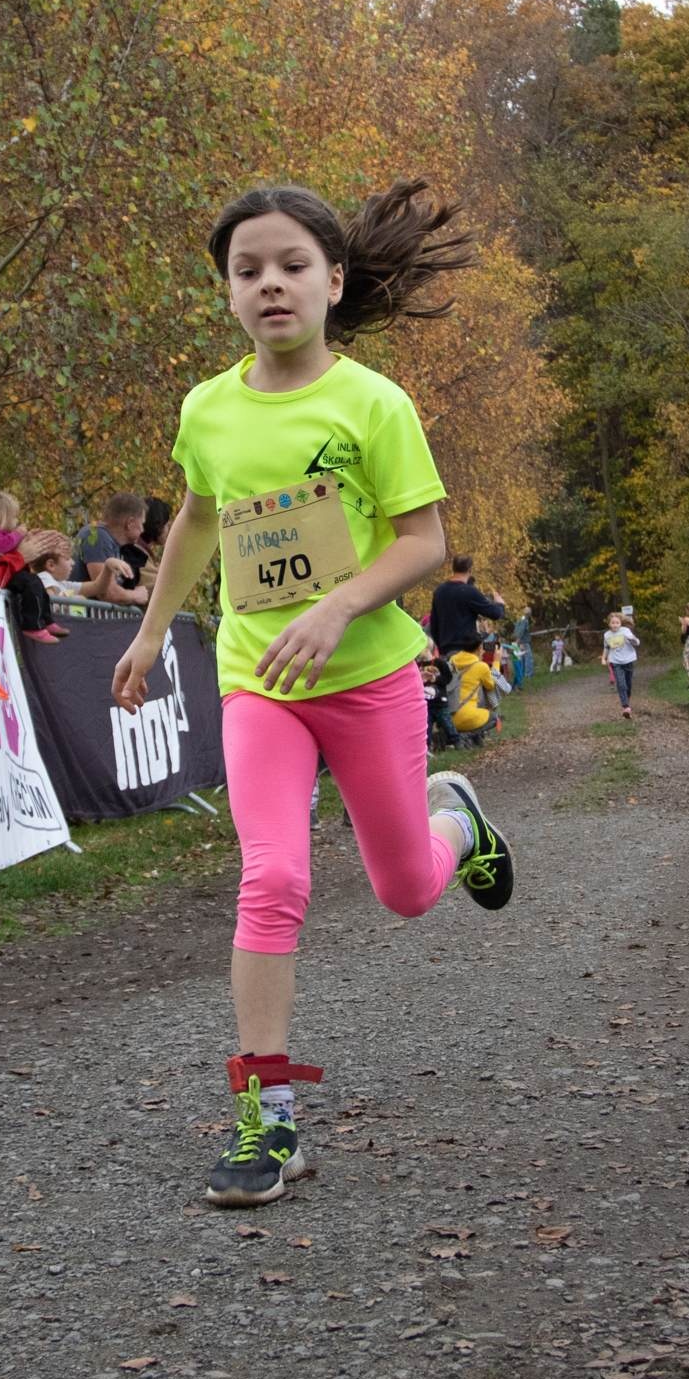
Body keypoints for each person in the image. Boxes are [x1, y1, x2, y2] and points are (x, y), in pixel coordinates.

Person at [110, 178, 515, 1209]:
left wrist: (337, 608)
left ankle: (459, 825)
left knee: (406, 890)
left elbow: (423, 541)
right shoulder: (208, 408)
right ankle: (267, 1119)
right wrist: (152, 632)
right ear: (227, 292)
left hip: (367, 674)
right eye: (246, 270)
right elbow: (199, 518)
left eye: (291, 265)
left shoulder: (374, 403)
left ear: (334, 281)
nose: (270, 285)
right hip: (259, 680)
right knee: (274, 876)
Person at [428, 552, 505, 658]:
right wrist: (500, 604)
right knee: (497, 648)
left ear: (453, 568)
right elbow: (495, 614)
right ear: (470, 570)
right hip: (467, 650)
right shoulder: (469, 592)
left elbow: (434, 624)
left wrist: (441, 647)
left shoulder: (439, 591)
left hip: (446, 651)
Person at [600, 606, 639, 719]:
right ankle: (625, 707)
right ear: (609, 624)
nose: (615, 625)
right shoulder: (607, 635)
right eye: (613, 623)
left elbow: (637, 642)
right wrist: (603, 658)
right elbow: (606, 647)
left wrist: (632, 640)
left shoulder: (625, 631)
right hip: (615, 662)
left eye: (617, 623)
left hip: (628, 660)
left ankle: (627, 699)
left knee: (628, 684)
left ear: (620, 623)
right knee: (621, 684)